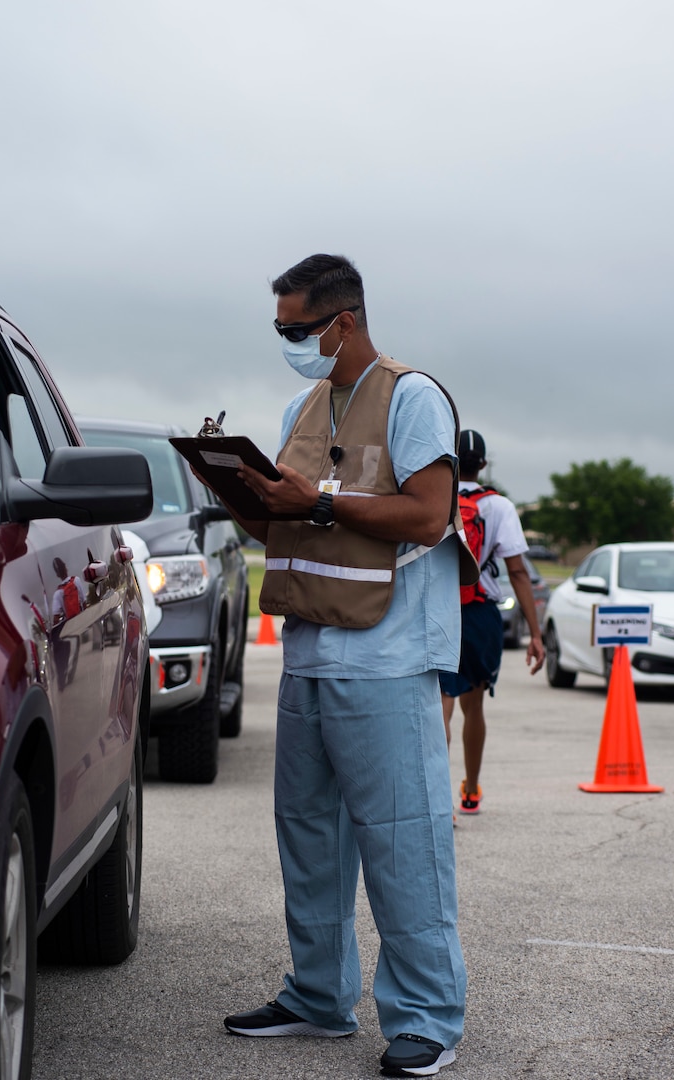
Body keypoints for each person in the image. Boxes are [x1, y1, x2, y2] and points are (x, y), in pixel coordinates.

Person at [217, 254, 478, 1078]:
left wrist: (318, 500)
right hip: (311, 652)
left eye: (300, 329)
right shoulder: (304, 404)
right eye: (281, 329)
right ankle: (318, 997)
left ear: (345, 322)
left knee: (404, 841)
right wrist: (243, 497)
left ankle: (427, 1017)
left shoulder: (413, 398)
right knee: (309, 835)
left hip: (387, 658)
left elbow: (430, 517)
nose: (291, 342)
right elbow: (287, 534)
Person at [440, 429, 546, 817]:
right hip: (480, 612)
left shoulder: (437, 496)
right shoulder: (498, 506)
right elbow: (517, 571)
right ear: (483, 464)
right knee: (475, 706)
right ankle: (470, 788)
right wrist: (535, 633)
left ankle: (441, 800)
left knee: (442, 706)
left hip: (440, 609)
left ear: (452, 458)